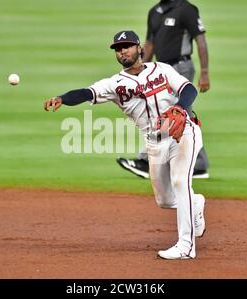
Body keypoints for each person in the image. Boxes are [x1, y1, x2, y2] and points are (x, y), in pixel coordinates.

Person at [44, 30, 206, 259]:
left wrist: (180, 107)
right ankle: (196, 202)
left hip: (183, 134)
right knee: (166, 200)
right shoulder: (115, 84)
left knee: (180, 182)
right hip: (154, 143)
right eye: (118, 49)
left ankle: (186, 246)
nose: (123, 52)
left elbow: (188, 88)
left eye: (127, 46)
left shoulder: (161, 69)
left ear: (140, 48)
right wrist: (62, 98)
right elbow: (87, 92)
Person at [116, 0, 211, 180]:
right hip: (160, 71)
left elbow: (201, 40)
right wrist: (140, 71)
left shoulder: (186, 9)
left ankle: (145, 161)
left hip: (181, 67)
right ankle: (199, 164)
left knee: (163, 112)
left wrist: (204, 72)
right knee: (182, 116)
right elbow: (150, 44)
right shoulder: (154, 12)